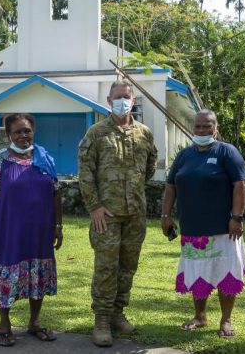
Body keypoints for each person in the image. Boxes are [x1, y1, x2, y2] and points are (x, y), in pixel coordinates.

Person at [78, 79, 158, 347]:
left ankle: (117, 312)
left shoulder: (144, 133)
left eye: (127, 96)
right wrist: (95, 206)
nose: (123, 100)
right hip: (106, 214)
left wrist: (133, 191)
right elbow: (85, 173)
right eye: (117, 97)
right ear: (109, 101)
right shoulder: (96, 133)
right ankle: (101, 318)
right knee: (106, 266)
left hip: (135, 212)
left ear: (133, 100)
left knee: (128, 266)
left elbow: (149, 168)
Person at [161, 109, 245, 338]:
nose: (201, 130)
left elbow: (240, 185)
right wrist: (165, 215)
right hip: (193, 228)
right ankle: (200, 316)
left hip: (224, 228)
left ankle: (226, 320)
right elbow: (171, 186)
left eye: (206, 126)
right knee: (198, 272)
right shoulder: (185, 155)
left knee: (225, 273)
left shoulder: (226, 152)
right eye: (198, 126)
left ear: (215, 128)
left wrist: (236, 217)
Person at [0, 113, 63, 347]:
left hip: (40, 232)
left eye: (27, 130)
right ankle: (4, 325)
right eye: (18, 131)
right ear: (9, 135)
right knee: (6, 274)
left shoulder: (44, 157)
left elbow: (56, 193)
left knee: (39, 274)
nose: (23, 135)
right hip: (9, 231)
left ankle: (34, 322)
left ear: (33, 131)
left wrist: (58, 226)